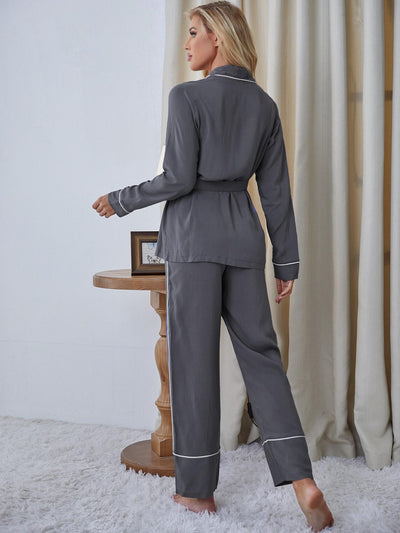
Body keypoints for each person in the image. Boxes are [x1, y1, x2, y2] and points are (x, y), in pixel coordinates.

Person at [92, 1, 334, 531]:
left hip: (194, 241)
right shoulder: (265, 106)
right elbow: (276, 193)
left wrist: (121, 198)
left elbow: (178, 178)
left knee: (194, 362)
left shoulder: (187, 97)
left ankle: (197, 492)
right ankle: (302, 479)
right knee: (262, 359)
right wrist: (287, 261)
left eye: (194, 32)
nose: (187, 44)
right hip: (244, 239)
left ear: (217, 38)